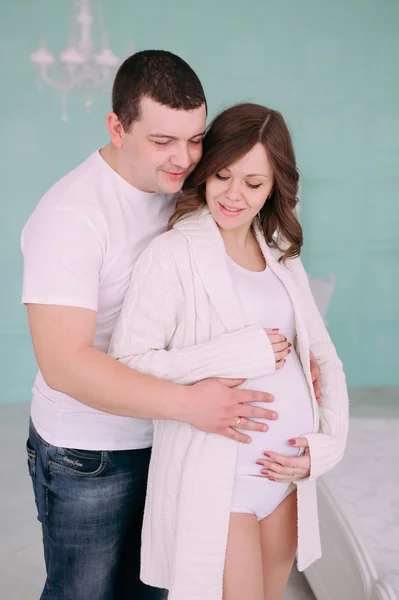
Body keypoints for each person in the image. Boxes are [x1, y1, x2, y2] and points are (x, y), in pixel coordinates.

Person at [21, 51, 307, 600]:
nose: (183, 158)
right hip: (91, 452)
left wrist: (295, 370)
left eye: (195, 138)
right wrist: (191, 403)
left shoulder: (190, 189)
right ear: (117, 127)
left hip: (176, 442)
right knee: (83, 593)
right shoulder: (71, 217)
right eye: (162, 141)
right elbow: (64, 365)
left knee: (153, 589)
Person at [109, 102, 349, 600]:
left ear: (275, 187)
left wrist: (326, 449)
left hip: (285, 478)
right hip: (223, 480)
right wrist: (231, 354)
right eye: (223, 175)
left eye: (254, 183)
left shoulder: (281, 254)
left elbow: (325, 361)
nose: (234, 195)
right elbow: (129, 362)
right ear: (206, 170)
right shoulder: (171, 255)